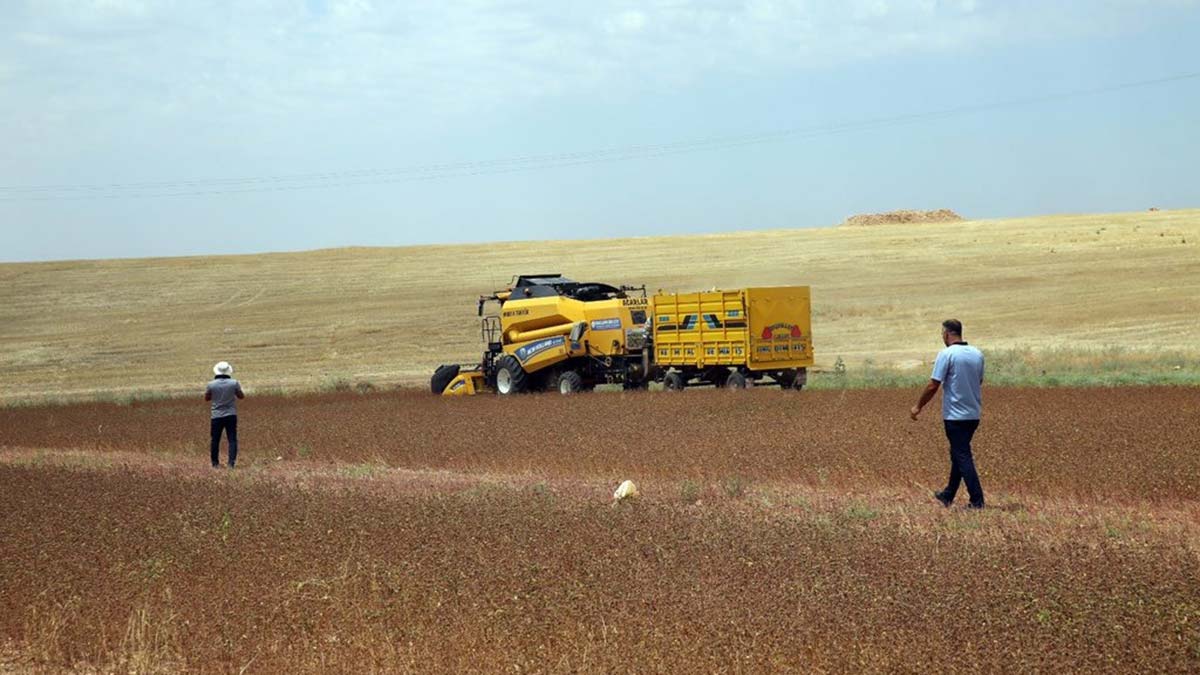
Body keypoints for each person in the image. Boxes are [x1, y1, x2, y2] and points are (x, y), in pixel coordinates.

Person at [909, 319, 985, 509]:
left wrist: (918, 406)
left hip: (955, 416)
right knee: (958, 454)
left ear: (947, 334)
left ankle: (977, 501)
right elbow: (980, 380)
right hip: (973, 414)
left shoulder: (947, 354)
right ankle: (948, 494)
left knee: (962, 455)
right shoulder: (977, 354)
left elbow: (934, 384)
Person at [205, 361, 245, 468]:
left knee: (215, 440)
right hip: (231, 414)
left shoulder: (211, 384)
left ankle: (215, 464)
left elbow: (207, 398)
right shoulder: (234, 383)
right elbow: (241, 396)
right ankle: (231, 463)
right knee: (232, 439)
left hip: (216, 415)